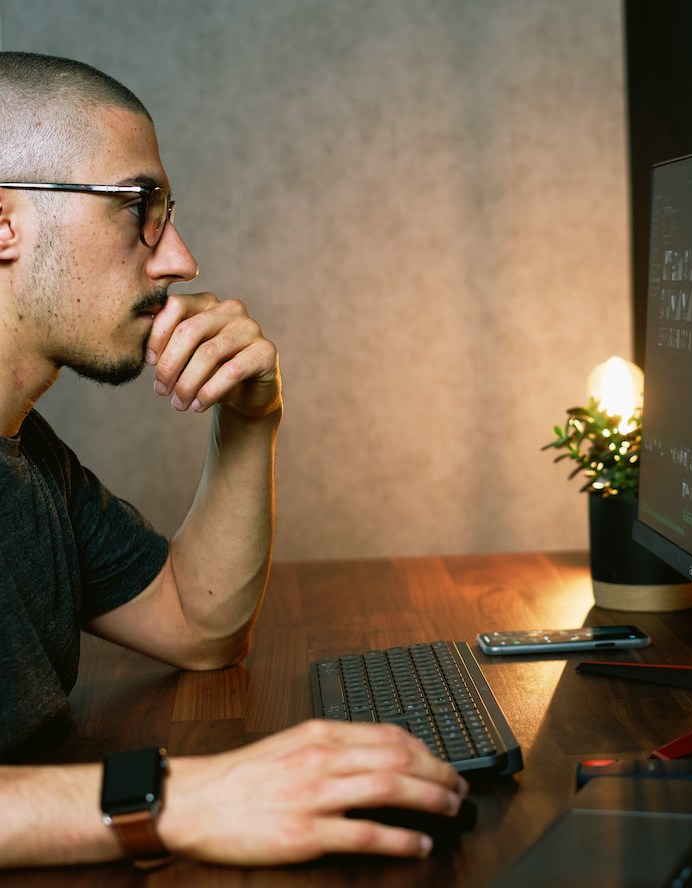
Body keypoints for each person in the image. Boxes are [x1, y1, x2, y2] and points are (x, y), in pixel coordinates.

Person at [0, 51, 467, 868]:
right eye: (138, 205)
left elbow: (198, 623)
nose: (180, 258)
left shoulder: (27, 456)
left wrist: (251, 419)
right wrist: (180, 799)